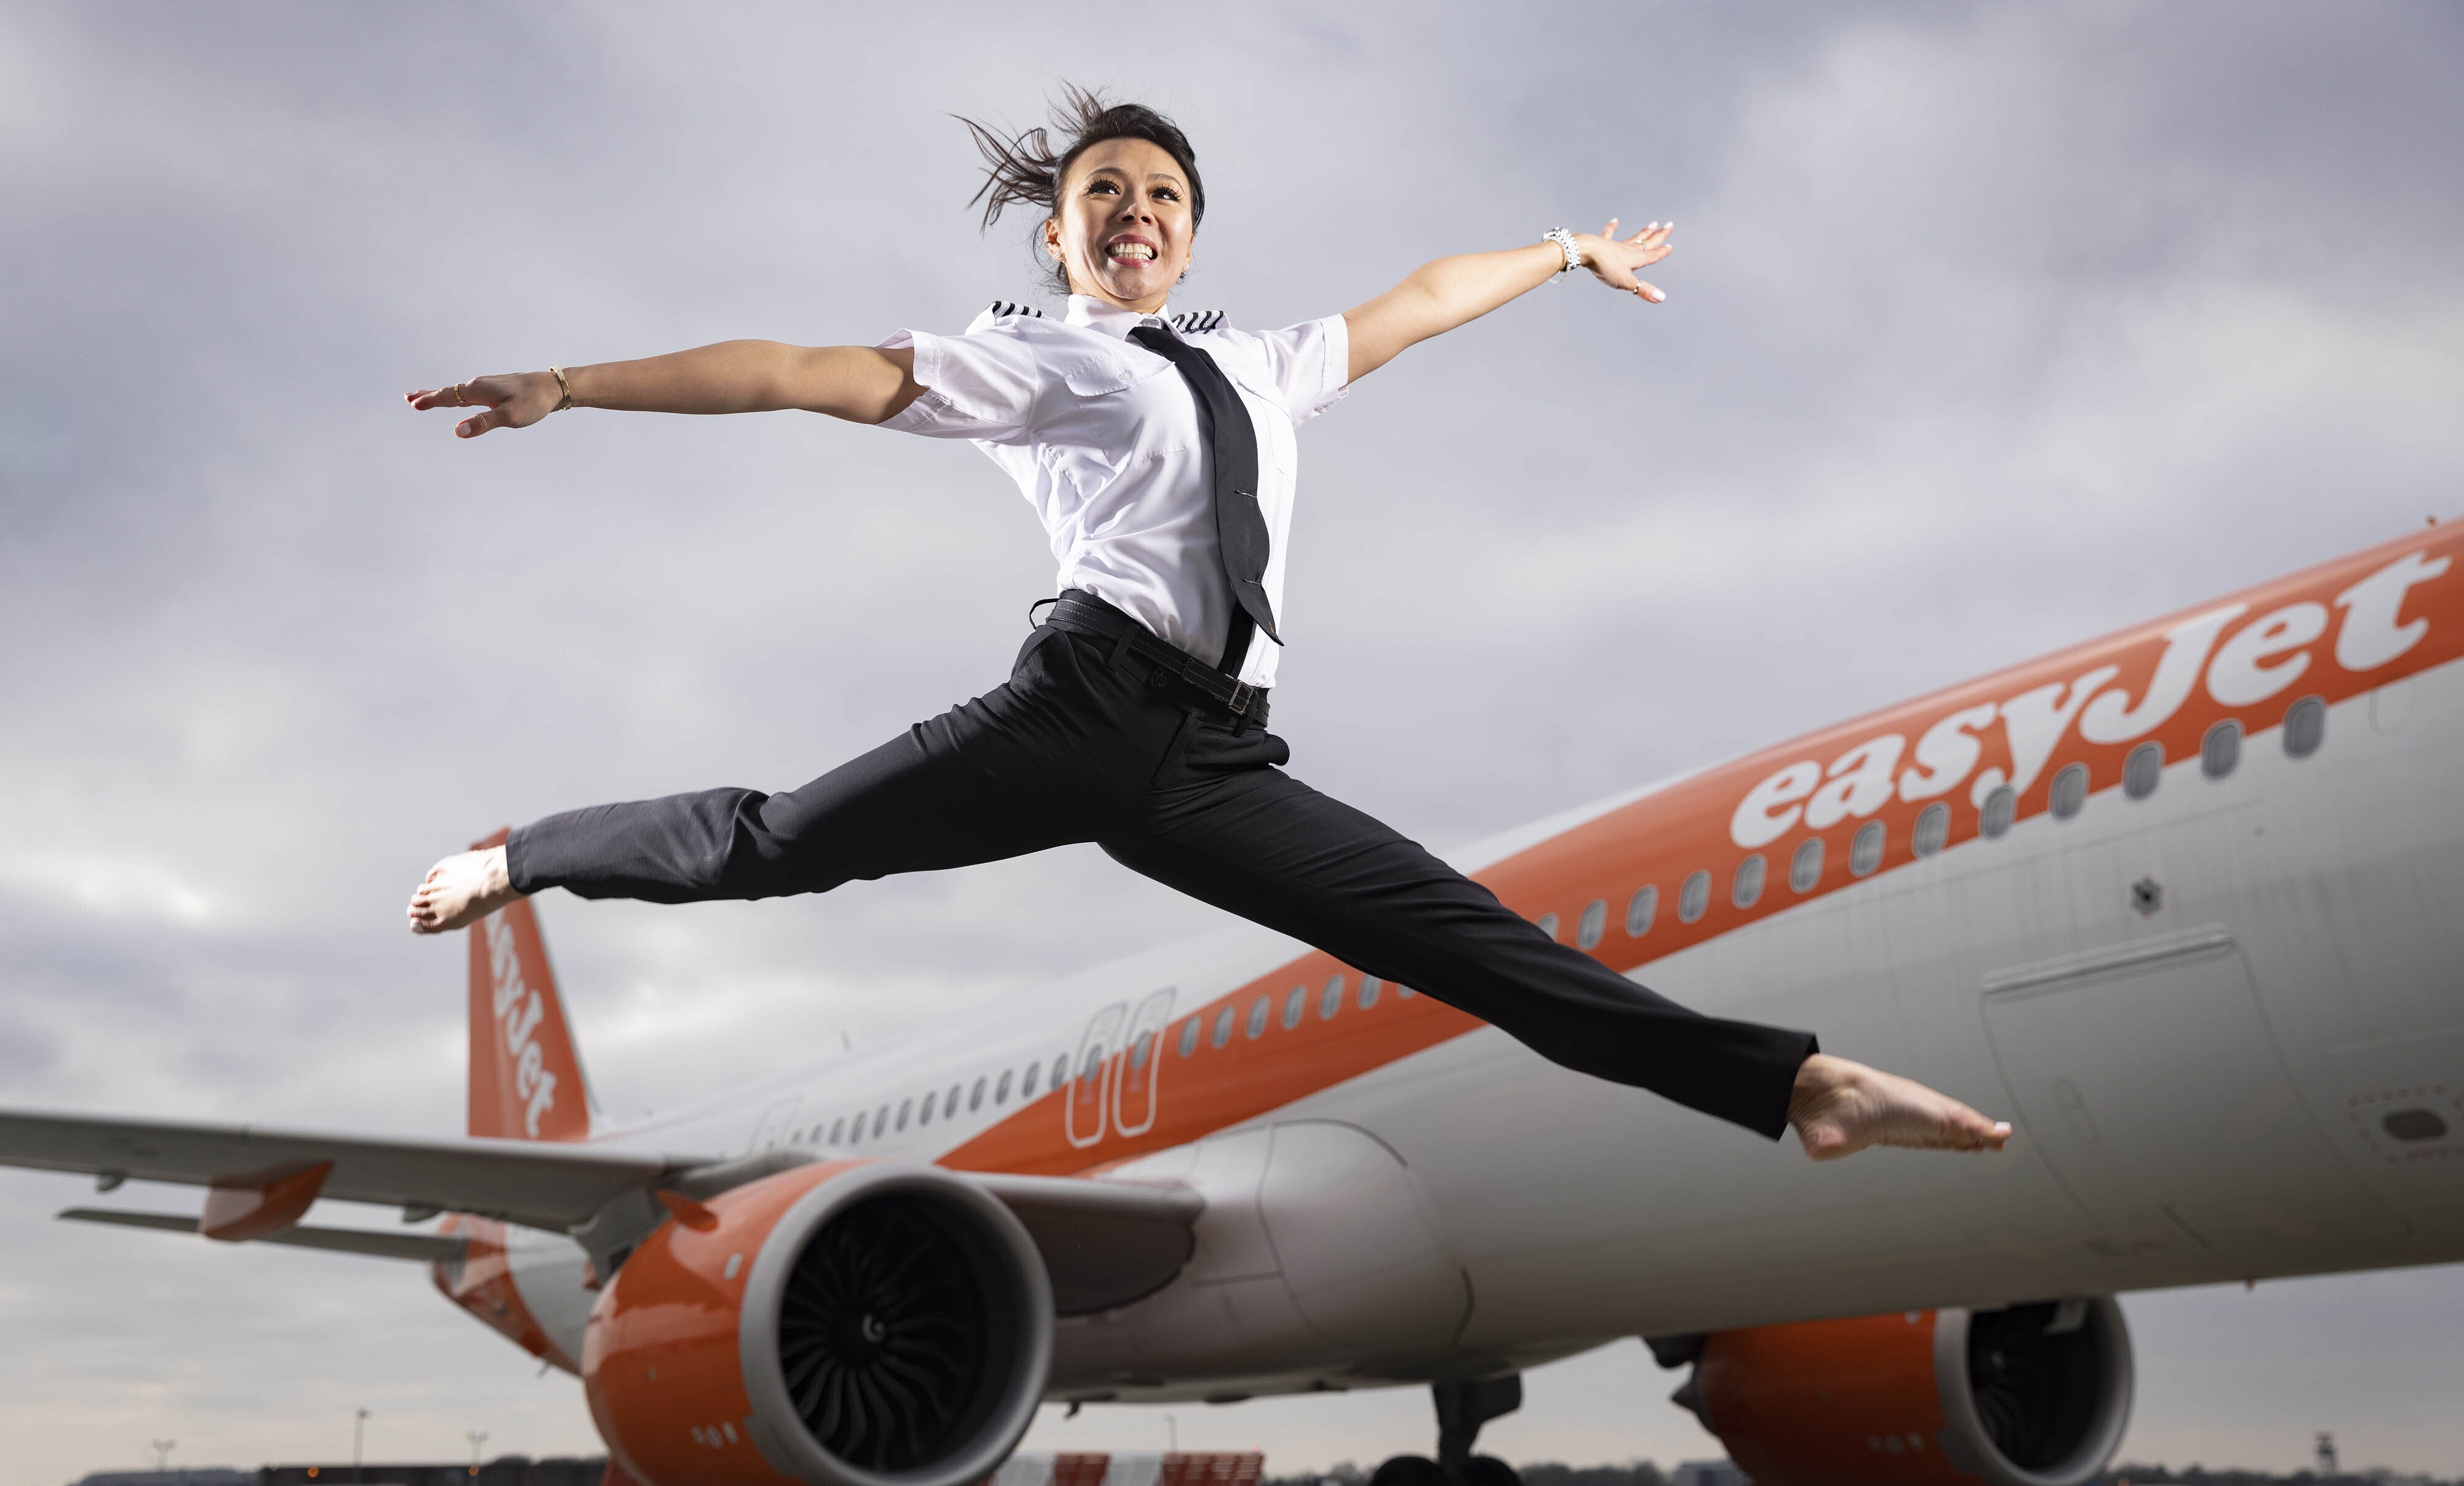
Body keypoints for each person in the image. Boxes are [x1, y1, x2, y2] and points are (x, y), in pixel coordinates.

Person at [403, 91, 2008, 1162]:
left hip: (1215, 760)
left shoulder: (1266, 362)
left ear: (1192, 228)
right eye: (1103, 193)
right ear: (1059, 233)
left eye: (1161, 194)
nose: (1134, 211)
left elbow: (1424, 300)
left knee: (1466, 937)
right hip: (1083, 702)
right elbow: (800, 370)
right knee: (775, 841)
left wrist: (1565, 252)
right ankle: (518, 855)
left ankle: (1794, 1083)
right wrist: (576, 382)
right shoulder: (1034, 355)